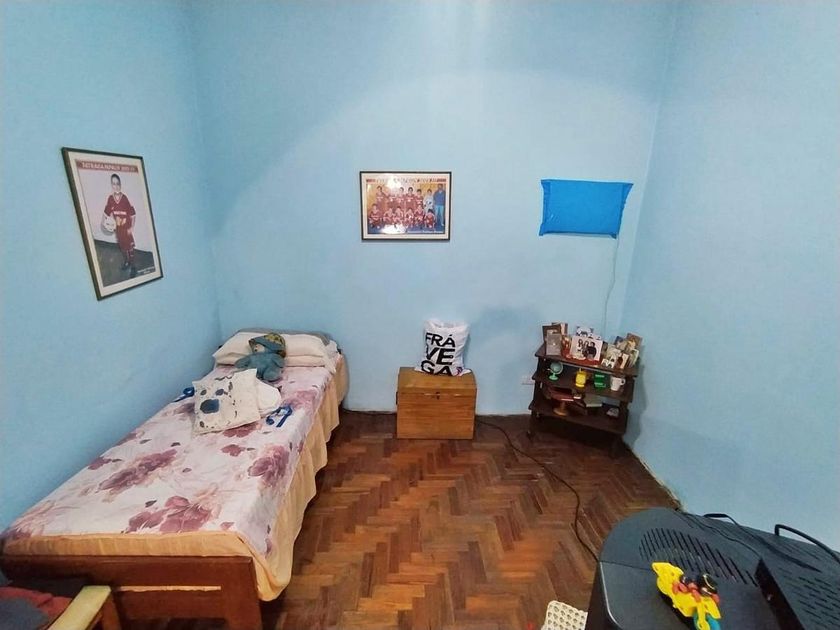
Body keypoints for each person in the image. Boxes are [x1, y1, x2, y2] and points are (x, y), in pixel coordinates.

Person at [103, 173, 137, 277]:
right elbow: (106, 213)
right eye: (114, 184)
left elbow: (133, 214)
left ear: (120, 184)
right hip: (118, 230)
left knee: (130, 248)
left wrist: (132, 227)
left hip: (126, 229)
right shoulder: (110, 199)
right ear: (111, 185)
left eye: (118, 183)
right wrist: (106, 224)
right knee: (123, 248)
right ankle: (127, 262)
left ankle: (133, 267)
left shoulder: (125, 198)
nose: (116, 186)